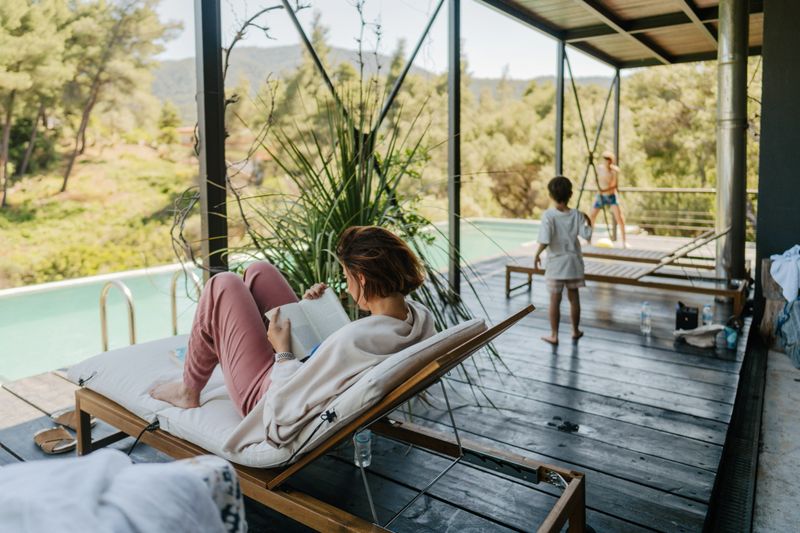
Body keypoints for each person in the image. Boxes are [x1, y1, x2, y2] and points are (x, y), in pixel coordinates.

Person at [150, 226, 435, 442]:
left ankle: (188, 391)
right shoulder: (415, 319)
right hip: (308, 369)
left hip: (267, 394)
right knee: (260, 272)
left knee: (222, 284)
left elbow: (282, 411)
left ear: (361, 279)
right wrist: (314, 312)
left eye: (348, 277)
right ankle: (283, 320)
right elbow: (344, 354)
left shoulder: (355, 340)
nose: (347, 287)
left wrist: (283, 351)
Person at [534, 176, 593, 346]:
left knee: (555, 299)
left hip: (556, 265)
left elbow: (545, 240)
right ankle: (575, 330)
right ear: (571, 194)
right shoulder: (577, 215)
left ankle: (554, 335)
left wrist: (537, 254)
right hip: (573, 264)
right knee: (574, 298)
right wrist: (587, 220)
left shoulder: (549, 216)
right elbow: (587, 235)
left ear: (551, 195)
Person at [589, 150, 627, 248]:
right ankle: (589, 239)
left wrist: (604, 190)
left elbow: (614, 186)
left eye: (608, 159)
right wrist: (598, 188)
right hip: (600, 196)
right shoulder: (599, 169)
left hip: (611, 196)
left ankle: (624, 242)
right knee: (592, 216)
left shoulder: (615, 171)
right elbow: (595, 180)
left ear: (611, 161)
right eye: (605, 159)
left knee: (619, 217)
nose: (606, 161)